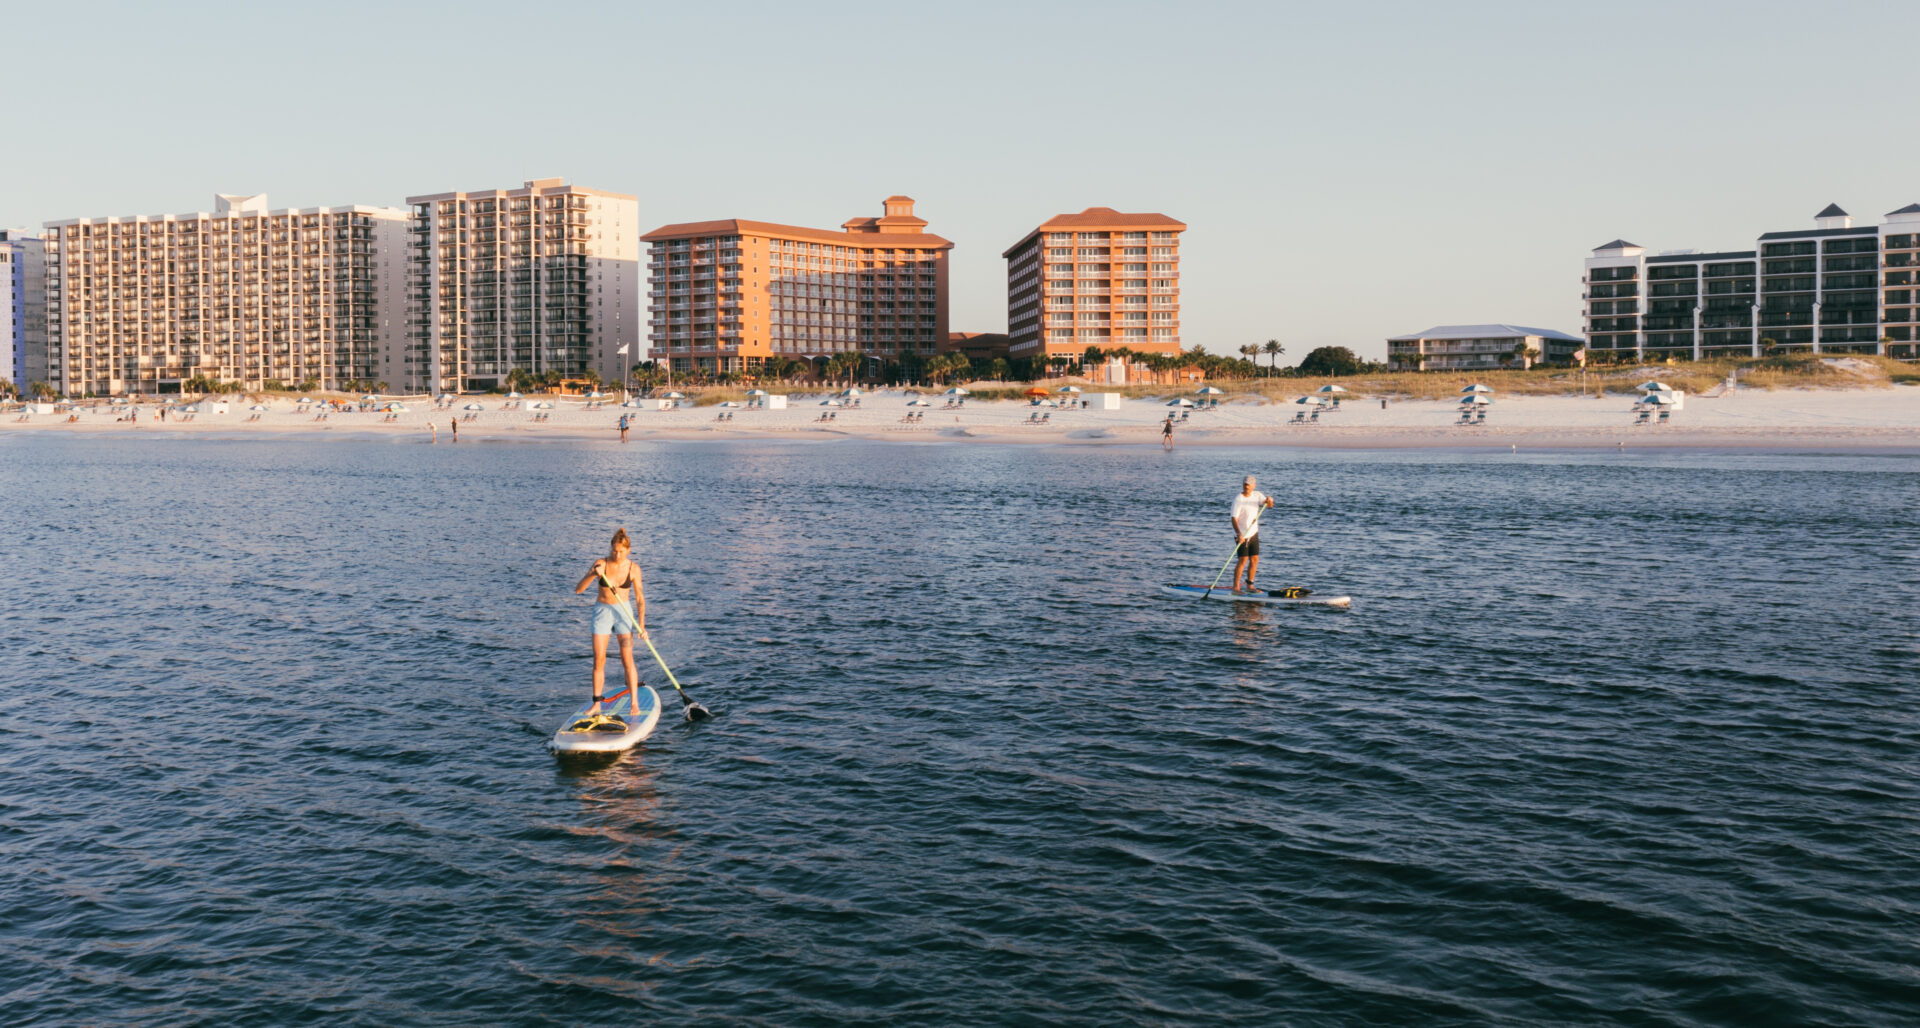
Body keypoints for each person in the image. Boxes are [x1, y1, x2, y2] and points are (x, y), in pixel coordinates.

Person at [573, 528, 646, 716]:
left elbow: (639, 599)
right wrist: (591, 574)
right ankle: (597, 703)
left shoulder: (634, 569)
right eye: (614, 550)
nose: (617, 554)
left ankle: (634, 704)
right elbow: (578, 590)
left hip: (624, 614)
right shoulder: (601, 563)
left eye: (621, 551)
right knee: (599, 659)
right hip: (602, 612)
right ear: (611, 548)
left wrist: (642, 626)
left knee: (627, 659)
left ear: (628, 550)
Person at [1229, 475, 1274, 593]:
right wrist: (1239, 534)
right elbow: (1233, 519)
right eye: (1245, 484)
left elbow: (1269, 506)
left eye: (1249, 484)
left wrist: (1270, 501)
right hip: (1241, 534)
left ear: (1254, 485)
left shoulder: (1257, 495)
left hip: (1253, 532)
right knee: (1243, 560)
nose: (1246, 486)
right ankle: (1236, 588)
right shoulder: (1238, 499)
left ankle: (1250, 586)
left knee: (1254, 559)